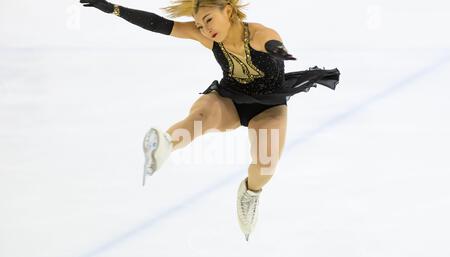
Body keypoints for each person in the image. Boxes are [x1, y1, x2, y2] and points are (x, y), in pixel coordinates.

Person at [80, 0, 340, 241]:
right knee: (199, 117)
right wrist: (114, 9)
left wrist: (278, 50)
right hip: (230, 97)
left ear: (227, 10)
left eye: (208, 20)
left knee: (266, 166)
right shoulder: (209, 38)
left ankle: (250, 193)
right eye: (200, 25)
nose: (205, 29)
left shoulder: (259, 33)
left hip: (268, 105)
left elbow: (269, 42)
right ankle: (165, 144)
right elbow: (160, 25)